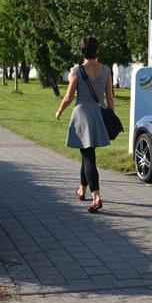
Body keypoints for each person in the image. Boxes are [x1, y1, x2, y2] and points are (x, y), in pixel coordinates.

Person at [55, 36, 115, 213]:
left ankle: (96, 197)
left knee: (88, 157)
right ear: (97, 51)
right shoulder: (106, 70)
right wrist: (112, 113)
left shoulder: (77, 71)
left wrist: (59, 111)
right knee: (87, 152)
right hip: (98, 115)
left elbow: (69, 97)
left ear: (81, 51)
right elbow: (110, 97)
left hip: (82, 115)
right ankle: (82, 189)